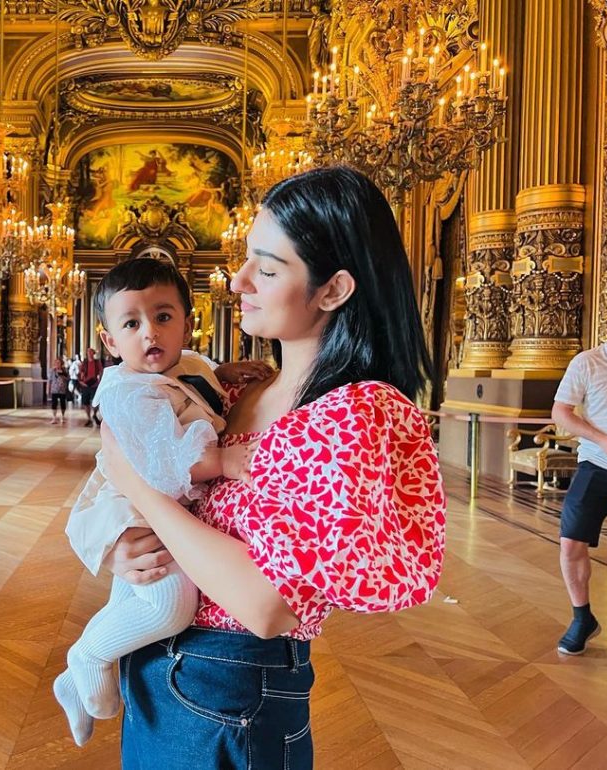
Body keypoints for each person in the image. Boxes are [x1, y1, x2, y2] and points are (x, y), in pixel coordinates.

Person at [98, 166, 446, 768]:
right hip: (159, 661)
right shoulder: (243, 390)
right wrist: (126, 544)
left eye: (266, 266)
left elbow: (265, 606)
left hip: (233, 690)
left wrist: (141, 489)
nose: (237, 282)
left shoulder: (352, 415)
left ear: (333, 290)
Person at [54, 257, 269, 746]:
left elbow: (198, 376)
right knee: (170, 605)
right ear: (111, 342)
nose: (149, 332)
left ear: (188, 324)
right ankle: (88, 656)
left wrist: (227, 372)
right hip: (134, 505)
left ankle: (76, 680)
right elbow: (165, 462)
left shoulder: (185, 363)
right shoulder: (131, 392)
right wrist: (226, 464)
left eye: (163, 317)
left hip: (159, 503)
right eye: (131, 324)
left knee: (136, 589)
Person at [551, 303, 607, 655]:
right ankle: (582, 617)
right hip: (597, 465)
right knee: (571, 542)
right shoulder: (588, 362)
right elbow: (561, 412)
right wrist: (603, 440)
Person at [77, 348, 104, 427]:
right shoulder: (84, 362)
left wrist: (100, 381)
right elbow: (80, 372)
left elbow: (101, 371)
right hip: (86, 384)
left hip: (94, 384)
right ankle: (88, 418)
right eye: (88, 352)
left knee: (96, 402)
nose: (89, 353)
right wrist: (81, 381)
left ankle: (94, 414)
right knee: (85, 402)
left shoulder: (97, 362)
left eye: (91, 352)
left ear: (93, 353)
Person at [48, 358, 70, 425]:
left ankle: (63, 417)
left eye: (59, 363)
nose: (57, 364)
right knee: (54, 404)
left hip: (62, 390)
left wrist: (63, 375)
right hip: (54, 389)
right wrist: (48, 389)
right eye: (56, 363)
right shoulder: (52, 371)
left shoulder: (65, 370)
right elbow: (50, 380)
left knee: (63, 403)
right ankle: (54, 417)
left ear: (61, 363)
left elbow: (68, 378)